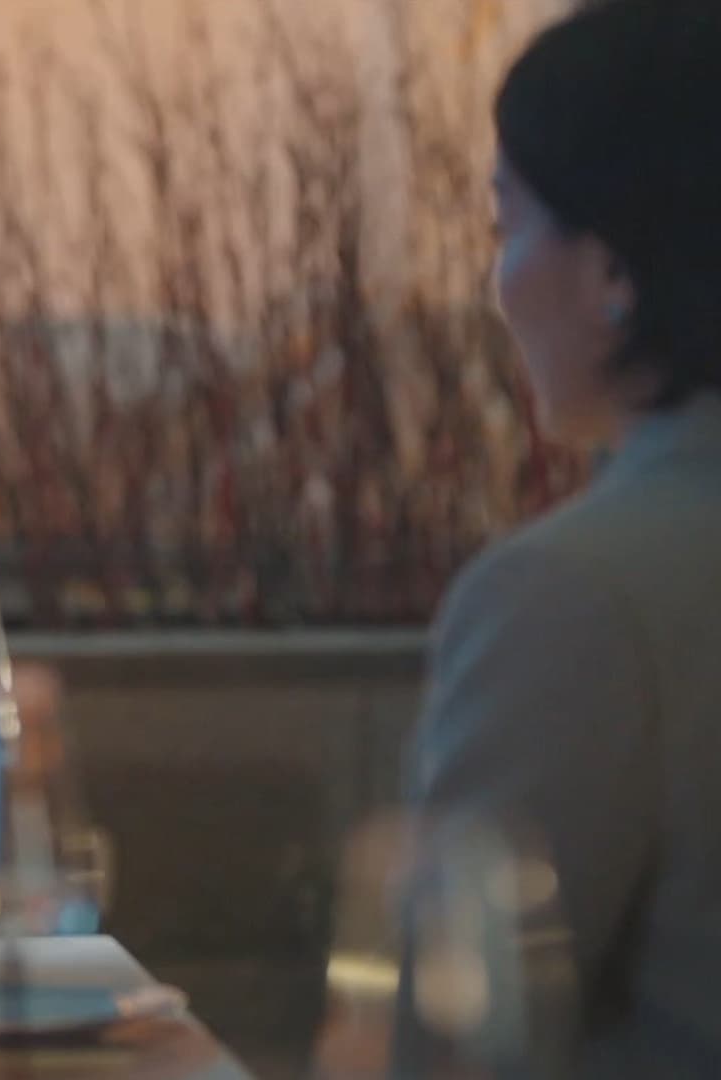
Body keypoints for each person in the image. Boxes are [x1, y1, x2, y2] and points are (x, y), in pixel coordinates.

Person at [403, 1, 721, 1073]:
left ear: (613, 273)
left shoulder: (572, 598)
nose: (497, 286)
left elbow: (454, 1041)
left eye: (507, 228)